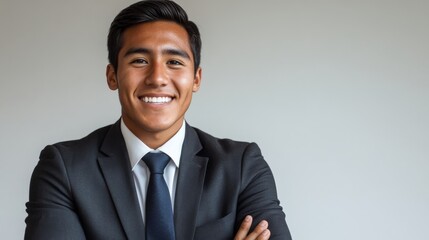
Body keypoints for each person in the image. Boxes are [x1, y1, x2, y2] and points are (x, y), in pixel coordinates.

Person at [24, 0, 292, 239]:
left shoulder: (242, 165)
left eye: (174, 62)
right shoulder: (64, 169)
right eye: (139, 60)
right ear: (113, 76)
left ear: (196, 78)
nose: (157, 78)